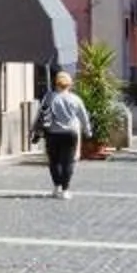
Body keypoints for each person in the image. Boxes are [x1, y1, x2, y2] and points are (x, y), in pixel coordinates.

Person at [36, 70, 90, 199]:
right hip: (70, 133)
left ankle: (56, 187)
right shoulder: (75, 99)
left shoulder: (49, 98)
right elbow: (83, 116)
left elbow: (41, 115)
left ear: (56, 83)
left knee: (54, 161)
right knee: (68, 162)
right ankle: (65, 190)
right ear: (69, 84)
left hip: (52, 134)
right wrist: (88, 131)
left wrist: (37, 130)